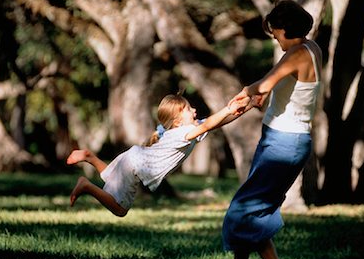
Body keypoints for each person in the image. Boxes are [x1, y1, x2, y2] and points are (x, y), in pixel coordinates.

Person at [222, 0, 322, 259]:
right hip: (281, 139)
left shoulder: (297, 53)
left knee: (245, 211)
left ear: (286, 29)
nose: (275, 38)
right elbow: (289, 89)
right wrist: (263, 100)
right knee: (252, 208)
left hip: (283, 144)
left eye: (276, 32)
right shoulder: (310, 48)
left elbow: (262, 84)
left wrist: (244, 93)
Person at [66, 93, 248, 217]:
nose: (194, 111)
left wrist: (246, 107)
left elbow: (215, 123)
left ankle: (90, 157)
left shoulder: (187, 128)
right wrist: (228, 109)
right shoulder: (184, 132)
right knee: (120, 210)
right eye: (188, 109)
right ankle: (87, 186)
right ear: (177, 121)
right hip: (135, 164)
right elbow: (209, 125)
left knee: (109, 177)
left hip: (133, 158)